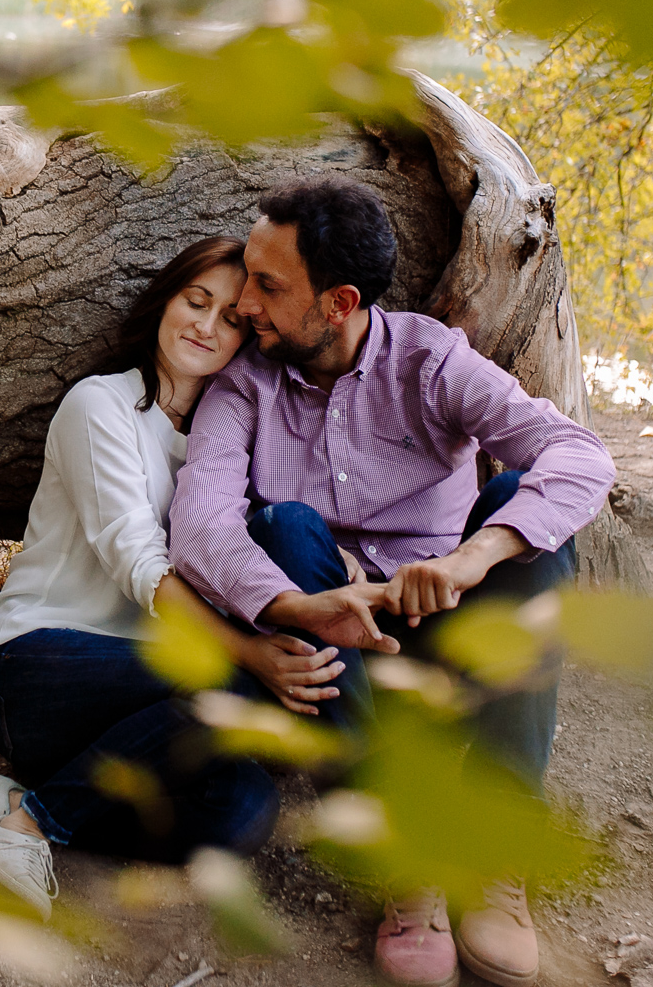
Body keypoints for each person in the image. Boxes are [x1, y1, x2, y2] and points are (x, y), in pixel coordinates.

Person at [167, 176, 615, 987]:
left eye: (268, 286)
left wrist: (467, 560)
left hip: (450, 627)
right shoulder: (245, 382)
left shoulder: (431, 359)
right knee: (286, 530)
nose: (245, 307)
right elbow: (200, 526)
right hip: (336, 659)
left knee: (523, 506)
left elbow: (580, 456)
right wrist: (303, 603)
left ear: (337, 303)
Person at [0, 237, 347, 919]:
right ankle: (28, 829)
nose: (207, 327)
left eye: (231, 318)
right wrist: (248, 655)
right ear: (164, 302)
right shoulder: (102, 407)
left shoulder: (221, 448)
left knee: (243, 812)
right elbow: (138, 563)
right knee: (233, 679)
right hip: (31, 668)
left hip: (144, 701)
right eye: (195, 302)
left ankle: (15, 801)